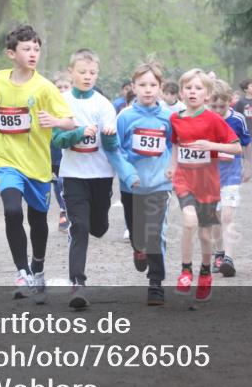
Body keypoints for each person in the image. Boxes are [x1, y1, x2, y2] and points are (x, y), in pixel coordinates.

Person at [0, 25, 75, 302]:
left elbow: (69, 121)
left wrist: (55, 122)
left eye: (36, 49)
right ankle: (23, 272)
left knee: (37, 221)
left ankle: (38, 267)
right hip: (6, 159)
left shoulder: (45, 87)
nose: (33, 54)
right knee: (13, 211)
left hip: (37, 164)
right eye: (26, 49)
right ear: (11, 53)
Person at [52, 49, 118, 309]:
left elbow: (112, 145)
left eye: (92, 72)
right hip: (73, 176)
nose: (87, 76)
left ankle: (96, 222)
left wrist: (110, 134)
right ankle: (77, 283)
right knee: (79, 226)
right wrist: (78, 133)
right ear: (71, 72)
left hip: (101, 175)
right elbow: (57, 140)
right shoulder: (62, 102)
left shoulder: (103, 104)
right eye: (82, 72)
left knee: (98, 228)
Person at [169, 69, 242, 302]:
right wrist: (172, 167)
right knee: (189, 222)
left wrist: (210, 145)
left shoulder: (214, 120)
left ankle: (205, 272)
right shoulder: (175, 118)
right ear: (181, 92)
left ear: (207, 95)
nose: (193, 92)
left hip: (208, 182)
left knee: (205, 233)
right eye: (188, 88)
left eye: (198, 88)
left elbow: (236, 147)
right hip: (184, 179)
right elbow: (176, 145)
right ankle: (185, 270)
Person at [107, 60, 175, 305]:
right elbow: (114, 150)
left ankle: (155, 283)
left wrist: (172, 167)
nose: (148, 89)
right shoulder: (125, 117)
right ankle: (139, 249)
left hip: (159, 184)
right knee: (138, 235)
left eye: (153, 85)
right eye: (142, 84)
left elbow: (173, 145)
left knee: (155, 233)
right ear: (133, 87)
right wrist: (127, 174)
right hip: (132, 186)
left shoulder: (169, 116)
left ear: (160, 87)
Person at [209, 79, 251, 276]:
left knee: (227, 216)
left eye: (222, 106)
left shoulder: (237, 119)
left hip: (231, 174)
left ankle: (229, 259)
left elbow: (246, 143)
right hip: (209, 175)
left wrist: (249, 165)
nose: (217, 110)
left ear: (229, 102)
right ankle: (219, 251)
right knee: (215, 217)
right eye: (213, 106)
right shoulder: (204, 119)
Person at [51, 71, 72, 232]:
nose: (63, 89)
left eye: (66, 86)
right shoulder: (48, 105)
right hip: (52, 153)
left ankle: (68, 211)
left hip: (70, 153)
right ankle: (63, 209)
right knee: (57, 184)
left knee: (64, 182)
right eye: (59, 87)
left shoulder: (74, 106)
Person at [234, 78, 252, 175]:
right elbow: (237, 116)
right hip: (245, 131)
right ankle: (246, 168)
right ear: (246, 89)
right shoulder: (241, 102)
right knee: (245, 152)